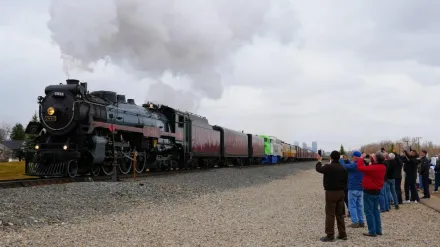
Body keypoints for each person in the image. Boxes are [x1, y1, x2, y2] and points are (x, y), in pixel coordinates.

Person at [316, 151, 348, 242]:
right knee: (340, 214)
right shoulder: (343, 168)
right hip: (341, 192)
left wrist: (319, 161)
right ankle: (342, 234)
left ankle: (330, 235)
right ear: (339, 158)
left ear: (331, 157)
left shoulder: (329, 167)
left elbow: (319, 169)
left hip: (331, 193)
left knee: (330, 214)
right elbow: (346, 181)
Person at [357, 151, 387, 237]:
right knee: (376, 211)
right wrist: (372, 158)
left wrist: (361, 158)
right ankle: (378, 230)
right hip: (377, 191)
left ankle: (372, 231)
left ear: (376, 159)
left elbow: (360, 167)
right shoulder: (383, 167)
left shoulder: (373, 168)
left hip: (369, 191)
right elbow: (373, 165)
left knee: (368, 211)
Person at [339, 151, 364, 228]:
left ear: (355, 157)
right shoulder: (362, 164)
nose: (352, 158)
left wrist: (341, 159)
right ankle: (361, 221)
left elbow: (344, 166)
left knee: (352, 206)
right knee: (359, 206)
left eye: (352, 157)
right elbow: (350, 164)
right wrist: (346, 160)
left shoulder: (355, 165)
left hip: (353, 187)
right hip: (360, 188)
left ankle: (355, 222)